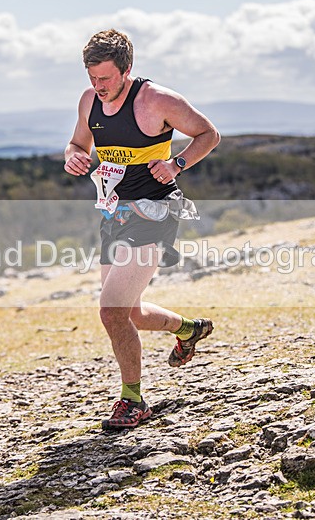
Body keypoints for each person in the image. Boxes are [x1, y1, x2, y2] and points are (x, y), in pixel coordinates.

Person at [64, 29, 220, 430]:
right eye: (92, 78)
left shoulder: (157, 100)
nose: (98, 87)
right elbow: (78, 144)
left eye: (106, 78)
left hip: (155, 213)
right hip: (114, 215)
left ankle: (133, 401)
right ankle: (189, 329)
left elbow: (209, 134)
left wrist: (177, 164)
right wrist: (74, 156)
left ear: (127, 69)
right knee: (129, 311)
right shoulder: (89, 101)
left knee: (111, 310)